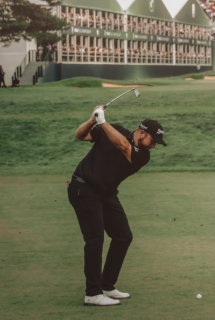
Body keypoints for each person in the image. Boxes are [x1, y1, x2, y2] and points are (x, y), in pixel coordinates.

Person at [69, 108, 167, 306]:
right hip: (84, 189)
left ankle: (107, 286)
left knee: (123, 236)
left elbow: (122, 145)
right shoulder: (113, 129)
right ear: (141, 132)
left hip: (105, 193)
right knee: (95, 238)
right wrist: (92, 120)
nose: (154, 146)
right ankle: (93, 293)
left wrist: (103, 121)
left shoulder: (143, 155)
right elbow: (81, 135)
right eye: (153, 141)